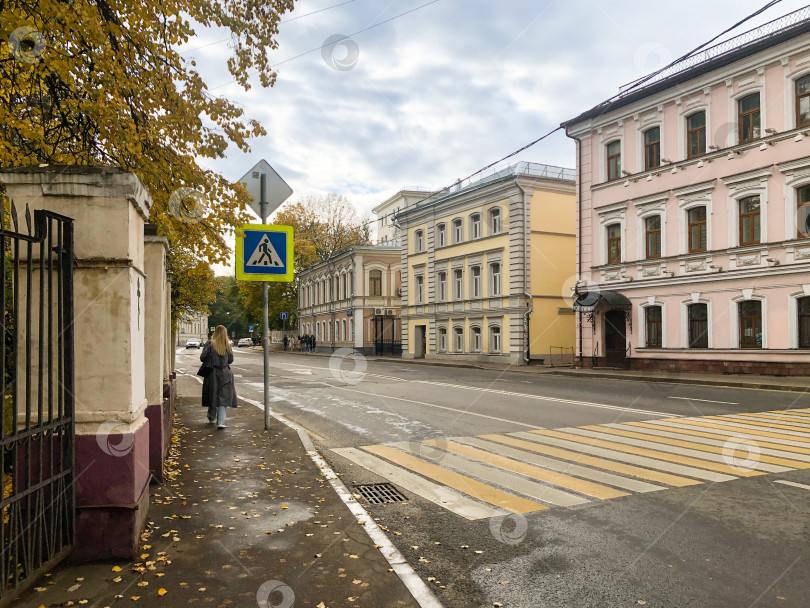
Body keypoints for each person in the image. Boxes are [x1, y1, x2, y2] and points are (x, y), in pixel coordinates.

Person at [200, 325, 238, 429]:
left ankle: (211, 417)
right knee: (223, 397)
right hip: (225, 373)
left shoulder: (209, 344)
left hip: (212, 373)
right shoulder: (227, 345)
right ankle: (221, 422)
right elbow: (230, 360)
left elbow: (202, 358)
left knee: (213, 394)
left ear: (215, 333)